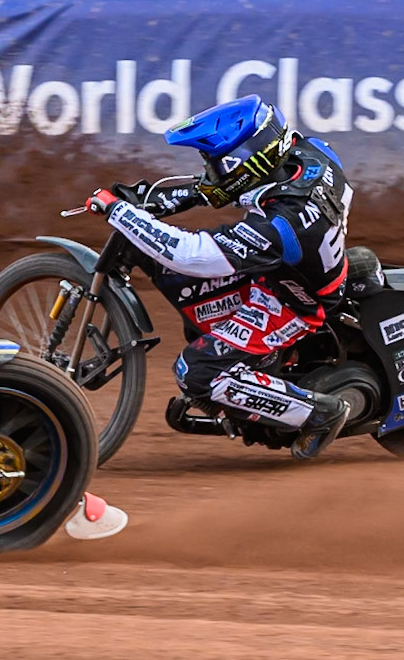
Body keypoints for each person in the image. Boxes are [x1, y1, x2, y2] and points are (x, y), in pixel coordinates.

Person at [83, 95, 353, 459]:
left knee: (196, 372)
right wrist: (152, 199)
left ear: (249, 162)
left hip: (293, 303)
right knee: (187, 291)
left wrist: (121, 212)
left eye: (214, 164)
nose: (210, 171)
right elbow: (225, 185)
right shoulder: (311, 155)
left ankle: (318, 413)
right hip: (288, 272)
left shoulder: (281, 225)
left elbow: (193, 254)